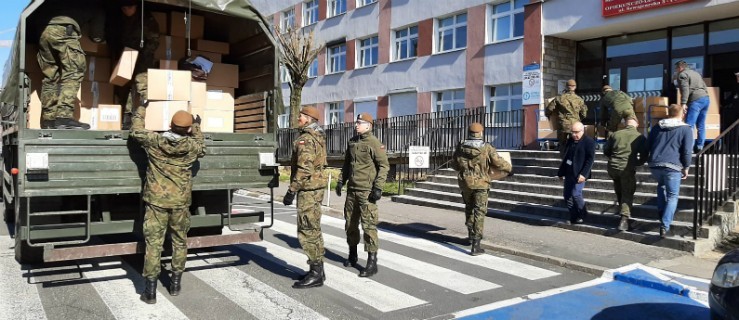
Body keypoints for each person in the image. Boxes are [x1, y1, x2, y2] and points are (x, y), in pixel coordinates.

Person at [130, 105, 206, 304]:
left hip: (156, 202)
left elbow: (136, 130)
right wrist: (197, 125)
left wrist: (141, 109)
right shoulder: (192, 147)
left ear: (169, 124)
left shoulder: (155, 141)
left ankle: (150, 291)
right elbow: (201, 145)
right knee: (179, 241)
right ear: (188, 129)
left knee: (154, 244)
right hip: (180, 203)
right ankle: (175, 284)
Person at [36, 1, 106, 129]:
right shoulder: (95, 4)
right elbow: (96, 36)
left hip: (43, 31)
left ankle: (48, 119)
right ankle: (64, 117)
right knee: (75, 70)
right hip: (63, 31)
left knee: (50, 76)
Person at [335, 113, 389, 277]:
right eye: (356, 122)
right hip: (352, 191)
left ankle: (372, 263)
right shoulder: (352, 142)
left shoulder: (374, 143)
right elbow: (346, 165)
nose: (356, 125)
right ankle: (352, 255)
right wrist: (340, 181)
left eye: (359, 123)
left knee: (368, 227)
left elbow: (384, 166)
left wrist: (378, 187)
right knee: (350, 224)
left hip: (367, 193)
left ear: (368, 125)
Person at [283, 106, 328, 289]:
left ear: (309, 119)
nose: (298, 118)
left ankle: (316, 273)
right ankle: (318, 270)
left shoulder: (306, 140)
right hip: (315, 187)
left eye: (301, 116)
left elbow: (305, 169)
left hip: (308, 189)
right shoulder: (317, 136)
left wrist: (291, 190)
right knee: (313, 228)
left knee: (307, 229)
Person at [450, 122, 512, 255]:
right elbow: (498, 162)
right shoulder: (486, 148)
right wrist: (509, 169)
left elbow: (454, 164)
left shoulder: (461, 146)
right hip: (481, 183)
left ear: (469, 133)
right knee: (479, 211)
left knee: (469, 208)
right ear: (481, 133)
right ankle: (476, 244)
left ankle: (470, 235)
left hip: (465, 182)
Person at [112, 0, 160, 130]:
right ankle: (127, 118)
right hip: (127, 55)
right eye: (124, 8)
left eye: (129, 7)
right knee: (124, 86)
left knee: (142, 88)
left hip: (143, 57)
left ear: (135, 7)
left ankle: (147, 118)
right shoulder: (121, 19)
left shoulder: (146, 19)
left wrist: (143, 54)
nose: (126, 10)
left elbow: (155, 40)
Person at [647, 104, 692, 238]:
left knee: (661, 186)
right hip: (672, 165)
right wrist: (686, 167)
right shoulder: (685, 129)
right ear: (682, 114)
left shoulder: (657, 127)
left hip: (655, 164)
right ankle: (664, 225)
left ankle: (661, 212)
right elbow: (687, 151)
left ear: (668, 113)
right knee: (673, 196)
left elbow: (648, 144)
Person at [603, 118, 648, 231]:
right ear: (637, 124)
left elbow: (606, 150)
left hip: (612, 167)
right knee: (627, 192)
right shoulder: (640, 137)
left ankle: (623, 215)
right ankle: (624, 220)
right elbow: (644, 154)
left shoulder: (616, 134)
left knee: (619, 190)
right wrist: (637, 162)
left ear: (625, 124)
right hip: (626, 167)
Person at [557, 122, 595, 224]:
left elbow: (590, 160)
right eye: (572, 132)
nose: (574, 135)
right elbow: (567, 157)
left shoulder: (589, 142)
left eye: (576, 132)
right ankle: (574, 216)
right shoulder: (570, 141)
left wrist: (584, 174)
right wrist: (561, 172)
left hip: (580, 174)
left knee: (576, 194)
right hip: (569, 172)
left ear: (582, 131)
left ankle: (584, 215)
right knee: (567, 195)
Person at [546, 79, 587, 156]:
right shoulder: (580, 100)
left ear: (566, 87)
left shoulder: (559, 98)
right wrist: (577, 120)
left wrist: (550, 116)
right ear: (575, 87)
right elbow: (584, 114)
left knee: (563, 146)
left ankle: (563, 162)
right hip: (576, 126)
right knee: (576, 145)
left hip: (563, 125)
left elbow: (548, 110)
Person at [675, 60, 709, 153]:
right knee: (701, 125)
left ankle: (688, 148)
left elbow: (685, 90)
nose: (676, 70)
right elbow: (704, 86)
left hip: (695, 100)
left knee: (689, 125)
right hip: (705, 99)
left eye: (676, 68)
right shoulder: (696, 73)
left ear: (680, 67)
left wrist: (683, 103)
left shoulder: (682, 75)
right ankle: (700, 147)